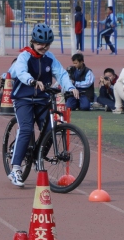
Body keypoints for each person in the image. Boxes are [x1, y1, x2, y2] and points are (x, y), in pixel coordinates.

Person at [6, 23, 78, 187]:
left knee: (50, 129)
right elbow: (21, 72)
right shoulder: (24, 56)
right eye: (39, 43)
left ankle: (39, 158)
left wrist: (71, 87)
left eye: (46, 44)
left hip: (42, 100)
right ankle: (15, 168)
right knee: (26, 129)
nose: (43, 47)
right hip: (23, 99)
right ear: (32, 41)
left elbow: (61, 74)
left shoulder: (50, 58)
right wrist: (32, 81)